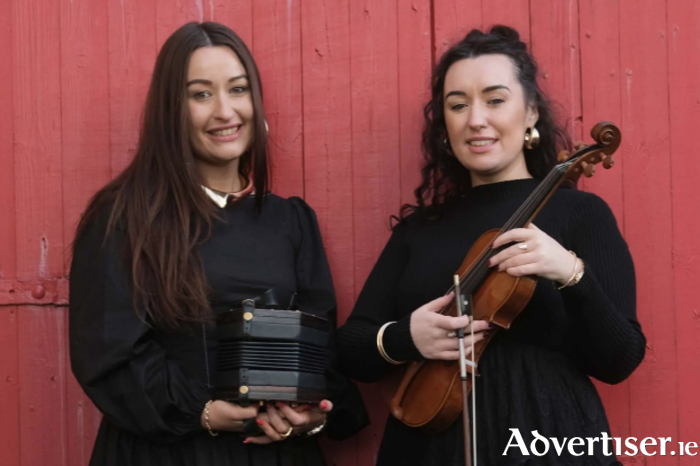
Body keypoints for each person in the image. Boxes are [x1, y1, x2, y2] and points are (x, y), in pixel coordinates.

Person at [336, 25, 645, 466]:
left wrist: (570, 273)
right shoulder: (420, 231)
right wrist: (406, 337)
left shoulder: (580, 214)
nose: (475, 119)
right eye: (458, 105)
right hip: (430, 445)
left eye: (495, 100)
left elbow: (621, 359)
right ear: (445, 124)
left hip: (548, 437)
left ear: (531, 112)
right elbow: (352, 348)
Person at [69, 21, 367, 466]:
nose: (225, 111)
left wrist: (310, 416)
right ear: (171, 109)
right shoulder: (122, 218)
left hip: (277, 454)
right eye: (201, 94)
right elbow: (108, 356)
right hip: (168, 452)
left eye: (238, 89)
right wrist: (202, 412)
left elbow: (319, 351)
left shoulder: (291, 220)